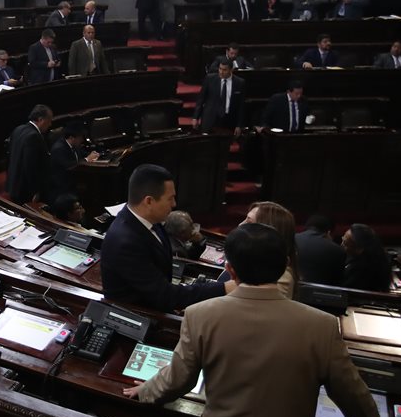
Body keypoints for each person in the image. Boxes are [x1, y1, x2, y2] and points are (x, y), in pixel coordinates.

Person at [122, 223, 401, 417]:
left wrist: (146, 391)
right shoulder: (322, 325)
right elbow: (352, 395)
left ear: (231, 270)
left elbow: (178, 379)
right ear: (285, 266)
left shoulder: (200, 314)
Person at [100, 164, 230, 312]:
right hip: (142, 315)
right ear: (149, 201)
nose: (174, 204)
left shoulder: (153, 221)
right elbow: (165, 295)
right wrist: (222, 288)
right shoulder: (125, 242)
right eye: (170, 198)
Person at [241, 201, 298, 299]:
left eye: (249, 222)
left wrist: (220, 288)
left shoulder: (281, 276)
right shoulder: (249, 260)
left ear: (267, 232)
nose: (240, 225)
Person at [6, 104, 53, 205]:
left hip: (14, 183)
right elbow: (30, 166)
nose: (50, 124)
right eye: (49, 120)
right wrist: (35, 191)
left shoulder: (18, 129)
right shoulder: (34, 136)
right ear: (41, 119)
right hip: (25, 189)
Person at [47, 123, 99, 204]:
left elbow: (83, 154)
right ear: (71, 138)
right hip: (63, 185)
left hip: (75, 179)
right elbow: (69, 166)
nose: (82, 140)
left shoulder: (74, 144)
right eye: (80, 137)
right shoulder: (59, 148)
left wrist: (93, 154)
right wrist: (87, 159)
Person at [193, 58, 245, 134]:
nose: (221, 72)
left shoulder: (239, 82)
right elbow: (201, 99)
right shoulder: (210, 79)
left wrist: (239, 125)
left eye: (224, 70)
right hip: (210, 119)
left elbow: (241, 106)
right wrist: (195, 117)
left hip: (229, 121)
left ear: (231, 70)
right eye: (220, 69)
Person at [295, 215, 346, 287]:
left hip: (290, 289)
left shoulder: (291, 238)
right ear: (329, 232)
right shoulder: (338, 250)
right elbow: (337, 282)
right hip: (320, 292)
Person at [342, 224, 392, 293]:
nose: (341, 245)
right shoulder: (375, 253)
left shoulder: (362, 269)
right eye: (343, 239)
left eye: (345, 243)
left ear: (359, 249)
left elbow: (346, 290)